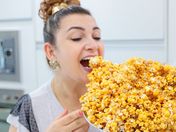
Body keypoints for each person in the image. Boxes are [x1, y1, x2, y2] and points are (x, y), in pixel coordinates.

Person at [7, 0, 104, 131]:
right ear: (51, 52)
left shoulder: (122, 99)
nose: (93, 45)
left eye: (96, 36)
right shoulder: (30, 108)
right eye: (77, 37)